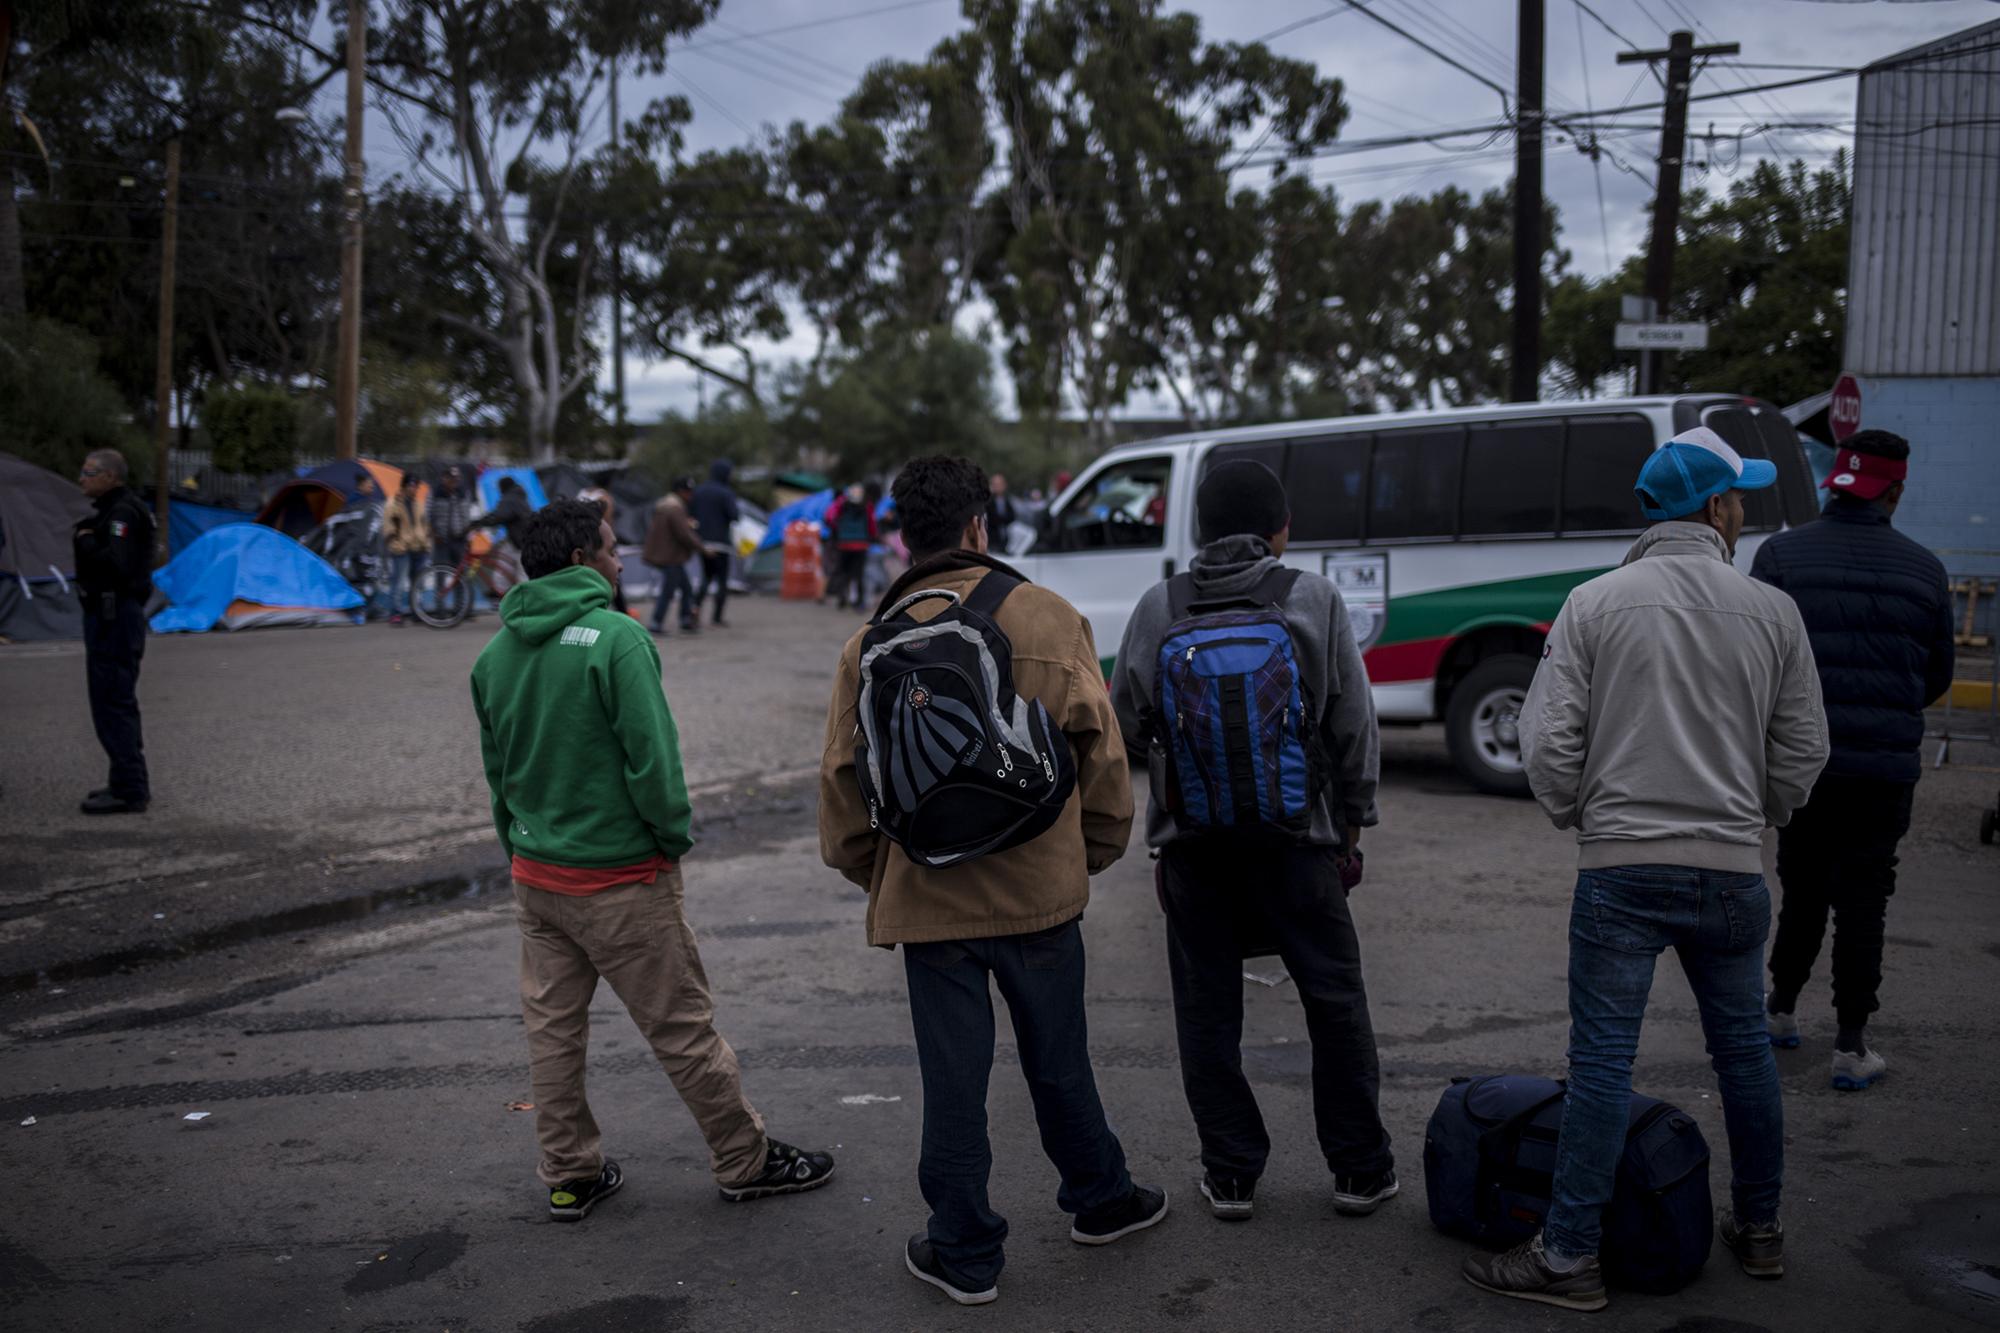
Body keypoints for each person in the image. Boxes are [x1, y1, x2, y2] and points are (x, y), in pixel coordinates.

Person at [1462, 427, 1828, 1310]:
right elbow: (1804, 748)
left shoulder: (1592, 604)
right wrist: (1755, 816)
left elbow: (1544, 744)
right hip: (1733, 871)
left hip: (1621, 871)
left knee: (1600, 1065)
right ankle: (1763, 1227)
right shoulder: (1771, 611)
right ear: (1714, 509)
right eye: (1740, 496)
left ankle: (1570, 1254)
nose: (1744, 511)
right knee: (1744, 1054)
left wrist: (1589, 818)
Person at [819, 455, 1162, 1308]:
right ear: (980, 526)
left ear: (906, 536)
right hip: (1040, 893)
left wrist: (890, 873)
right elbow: (1104, 757)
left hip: (929, 902)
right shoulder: (1048, 617)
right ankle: (1101, 1199)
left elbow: (841, 785)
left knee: (954, 1079)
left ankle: (965, 1249)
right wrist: (1087, 853)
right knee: (1060, 1060)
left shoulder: (867, 643)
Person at [471, 498, 835, 1222]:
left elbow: (499, 777)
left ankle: (569, 1172)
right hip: (621, 877)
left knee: (553, 1035)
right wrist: (669, 840)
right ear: (580, 561)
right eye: (610, 547)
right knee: (681, 1026)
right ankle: (744, 1158)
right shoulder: (616, 640)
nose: (620, 558)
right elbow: (654, 765)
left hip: (538, 879)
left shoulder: (494, 655)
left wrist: (521, 850)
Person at [1110, 458, 1396, 1225]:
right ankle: (1360, 1171)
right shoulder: (1313, 598)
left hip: (1196, 852)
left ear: (1200, 529)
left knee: (1207, 1014)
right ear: (1281, 530)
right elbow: (1352, 727)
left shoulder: (1157, 606)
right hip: (1302, 845)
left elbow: (1130, 721)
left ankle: (1232, 1173)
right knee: (1334, 1004)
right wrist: (1351, 826)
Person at [1750, 429, 1955, 1091]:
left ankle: (1779, 1010)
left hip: (1803, 765)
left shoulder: (1780, 555)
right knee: (1865, 899)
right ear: (1895, 489)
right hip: (1882, 771)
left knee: (1802, 886)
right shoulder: (1925, 570)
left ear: (1836, 481)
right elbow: (1936, 676)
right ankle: (1851, 1044)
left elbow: (1755, 664)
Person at [73, 448, 155, 815]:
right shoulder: (116, 510)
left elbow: (118, 566)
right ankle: (125, 780)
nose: (82, 478)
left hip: (114, 617)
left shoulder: (122, 513)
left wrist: (87, 542)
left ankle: (129, 788)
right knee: (113, 700)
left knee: (113, 701)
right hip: (113, 615)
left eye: (90, 472)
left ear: (110, 476)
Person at [642, 476, 702, 635]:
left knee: (686, 588)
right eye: (688, 492)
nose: (691, 495)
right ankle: (657, 623)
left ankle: (685, 620)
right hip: (670, 557)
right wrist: (702, 548)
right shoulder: (674, 508)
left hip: (666, 555)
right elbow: (684, 534)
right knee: (669, 590)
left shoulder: (665, 505)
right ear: (681, 492)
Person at [689, 459, 739, 628]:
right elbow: (734, 515)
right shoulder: (726, 492)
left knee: (705, 577)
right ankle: (717, 617)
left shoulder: (699, 491)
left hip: (702, 543)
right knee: (722, 580)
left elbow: (691, 514)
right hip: (722, 544)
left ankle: (695, 609)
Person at [382, 475, 431, 625]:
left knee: (418, 583)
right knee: (398, 582)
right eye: (411, 485)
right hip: (402, 548)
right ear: (403, 486)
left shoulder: (418, 504)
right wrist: (396, 545)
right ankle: (395, 613)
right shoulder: (393, 504)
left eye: (416, 486)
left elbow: (425, 525)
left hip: (419, 547)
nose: (414, 488)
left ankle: (417, 610)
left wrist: (426, 543)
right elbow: (388, 528)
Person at [823, 482, 876, 611]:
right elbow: (872, 524)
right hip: (861, 545)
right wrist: (871, 537)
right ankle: (859, 602)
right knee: (858, 574)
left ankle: (842, 598)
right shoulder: (867, 505)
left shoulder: (841, 504)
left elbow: (829, 518)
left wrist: (839, 531)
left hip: (844, 544)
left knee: (843, 573)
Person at [986, 472, 1018, 553]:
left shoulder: (1008, 500)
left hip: (1006, 537)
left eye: (1000, 484)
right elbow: (992, 518)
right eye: (996, 484)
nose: (998, 487)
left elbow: (1012, 516)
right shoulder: (988, 501)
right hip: (992, 538)